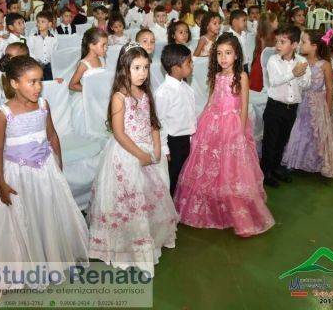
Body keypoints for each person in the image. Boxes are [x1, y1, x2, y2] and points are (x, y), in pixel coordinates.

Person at [0, 55, 89, 289]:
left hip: (45, 169)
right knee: (20, 219)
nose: (38, 87)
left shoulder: (43, 105)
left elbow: (52, 136)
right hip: (16, 174)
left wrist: (58, 166)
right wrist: (1, 183)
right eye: (31, 82)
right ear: (14, 83)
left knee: (45, 214)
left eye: (40, 81)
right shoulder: (4, 112)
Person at [88, 42, 177, 276]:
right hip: (127, 154)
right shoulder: (120, 96)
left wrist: (156, 148)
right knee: (129, 202)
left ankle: (148, 239)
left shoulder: (145, 93)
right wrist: (140, 155)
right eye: (136, 68)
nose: (142, 73)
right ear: (124, 69)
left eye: (145, 67)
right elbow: (119, 133)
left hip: (148, 151)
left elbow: (153, 122)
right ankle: (127, 246)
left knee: (149, 199)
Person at [174, 33, 275, 236]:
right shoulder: (218, 76)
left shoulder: (242, 76)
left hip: (232, 124)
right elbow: (212, 98)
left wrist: (241, 130)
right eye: (219, 53)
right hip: (213, 122)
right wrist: (203, 117)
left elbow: (245, 105)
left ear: (236, 55)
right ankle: (211, 204)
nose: (223, 58)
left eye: (228, 53)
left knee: (231, 166)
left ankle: (234, 208)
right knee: (210, 164)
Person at [282, 30, 333, 178]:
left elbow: (330, 87)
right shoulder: (300, 61)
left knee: (318, 132)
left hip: (318, 103)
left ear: (314, 46)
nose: (300, 44)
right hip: (301, 103)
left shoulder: (324, 65)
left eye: (303, 42)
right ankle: (297, 159)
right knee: (299, 129)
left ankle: (320, 161)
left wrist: (328, 107)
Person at [261, 25, 311, 188]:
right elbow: (274, 81)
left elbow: (306, 84)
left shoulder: (302, 62)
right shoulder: (273, 60)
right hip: (274, 107)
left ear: (294, 45)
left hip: (291, 108)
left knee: (282, 140)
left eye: (283, 42)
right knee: (270, 141)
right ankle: (265, 171)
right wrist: (293, 73)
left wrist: (301, 76)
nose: (278, 45)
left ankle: (276, 168)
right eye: (277, 41)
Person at [155, 44, 195, 196]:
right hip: (173, 142)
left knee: (184, 175)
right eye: (188, 63)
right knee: (172, 176)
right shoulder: (163, 93)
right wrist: (165, 148)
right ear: (176, 68)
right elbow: (159, 122)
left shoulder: (186, 87)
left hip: (187, 138)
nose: (192, 66)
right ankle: (169, 206)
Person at [249, 12, 278, 92]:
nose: (277, 23)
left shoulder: (260, 34)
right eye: (276, 21)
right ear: (271, 23)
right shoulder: (274, 37)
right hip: (265, 66)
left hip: (257, 65)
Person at [26, 10, 57, 80]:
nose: (39, 24)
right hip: (35, 65)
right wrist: (38, 61)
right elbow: (28, 51)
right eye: (38, 21)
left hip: (49, 66)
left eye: (42, 22)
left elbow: (54, 53)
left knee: (48, 83)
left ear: (49, 24)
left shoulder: (54, 38)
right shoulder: (32, 37)